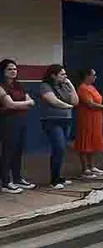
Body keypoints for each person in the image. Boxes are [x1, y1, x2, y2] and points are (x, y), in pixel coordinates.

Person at [40, 65, 78, 189]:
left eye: (65, 74)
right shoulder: (45, 86)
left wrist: (71, 85)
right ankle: (54, 180)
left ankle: (59, 176)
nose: (65, 76)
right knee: (59, 147)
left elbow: (75, 101)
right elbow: (53, 101)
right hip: (52, 121)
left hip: (66, 120)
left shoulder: (65, 85)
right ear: (53, 75)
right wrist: (67, 106)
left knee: (61, 150)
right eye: (62, 74)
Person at [0, 59, 36, 193]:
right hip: (7, 121)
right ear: (3, 71)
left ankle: (17, 178)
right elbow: (10, 105)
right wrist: (25, 104)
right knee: (8, 151)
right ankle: (5, 182)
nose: (13, 71)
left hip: (21, 120)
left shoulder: (18, 85)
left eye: (15, 69)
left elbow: (31, 100)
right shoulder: (1, 86)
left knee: (18, 150)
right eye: (9, 69)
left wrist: (23, 103)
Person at [75, 68, 103, 178]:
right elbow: (90, 104)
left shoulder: (92, 87)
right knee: (85, 142)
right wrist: (102, 107)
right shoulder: (82, 88)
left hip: (96, 119)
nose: (95, 77)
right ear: (87, 76)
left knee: (93, 142)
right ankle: (85, 169)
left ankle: (92, 166)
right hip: (86, 119)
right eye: (93, 75)